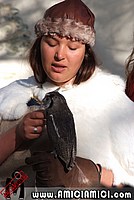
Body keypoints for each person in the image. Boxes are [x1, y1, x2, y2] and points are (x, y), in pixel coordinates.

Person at [0, 0, 134, 189]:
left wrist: (91, 173)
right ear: (39, 45)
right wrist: (17, 133)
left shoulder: (111, 102)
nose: (60, 55)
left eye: (72, 48)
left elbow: (128, 182)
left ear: (85, 54)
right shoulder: (11, 96)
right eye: (51, 43)